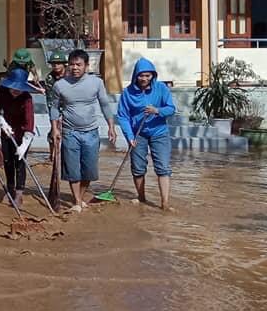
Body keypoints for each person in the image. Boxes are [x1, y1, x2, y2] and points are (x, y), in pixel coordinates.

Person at [49, 49, 118, 212]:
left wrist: (111, 126)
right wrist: (54, 130)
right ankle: (78, 202)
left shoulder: (96, 83)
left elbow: (105, 104)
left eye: (78, 64)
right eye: (72, 64)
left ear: (86, 66)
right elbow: (54, 108)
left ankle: (80, 197)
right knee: (73, 170)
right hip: (70, 132)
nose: (74, 68)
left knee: (89, 170)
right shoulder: (60, 85)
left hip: (91, 132)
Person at [116, 58, 177, 211]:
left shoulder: (161, 88)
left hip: (159, 132)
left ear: (153, 75)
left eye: (148, 76)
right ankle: (141, 197)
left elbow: (171, 108)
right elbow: (123, 116)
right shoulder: (128, 93)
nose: (144, 79)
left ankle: (165, 203)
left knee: (163, 167)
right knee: (137, 167)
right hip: (138, 134)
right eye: (141, 75)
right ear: (135, 75)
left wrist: (158, 111)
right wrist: (129, 136)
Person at [0, 68, 37, 207]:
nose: (15, 91)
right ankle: (10, 188)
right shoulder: (1, 91)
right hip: (7, 128)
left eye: (19, 89)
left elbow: (29, 124)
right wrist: (1, 122)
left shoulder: (27, 98)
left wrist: (24, 145)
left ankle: (19, 193)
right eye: (13, 88)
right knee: (7, 160)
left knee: (20, 162)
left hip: (22, 132)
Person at [43, 50, 69, 208]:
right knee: (53, 134)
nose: (56, 66)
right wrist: (55, 116)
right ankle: (52, 155)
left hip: (70, 109)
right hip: (55, 109)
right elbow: (50, 98)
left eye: (58, 63)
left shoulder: (69, 76)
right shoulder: (49, 78)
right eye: (54, 64)